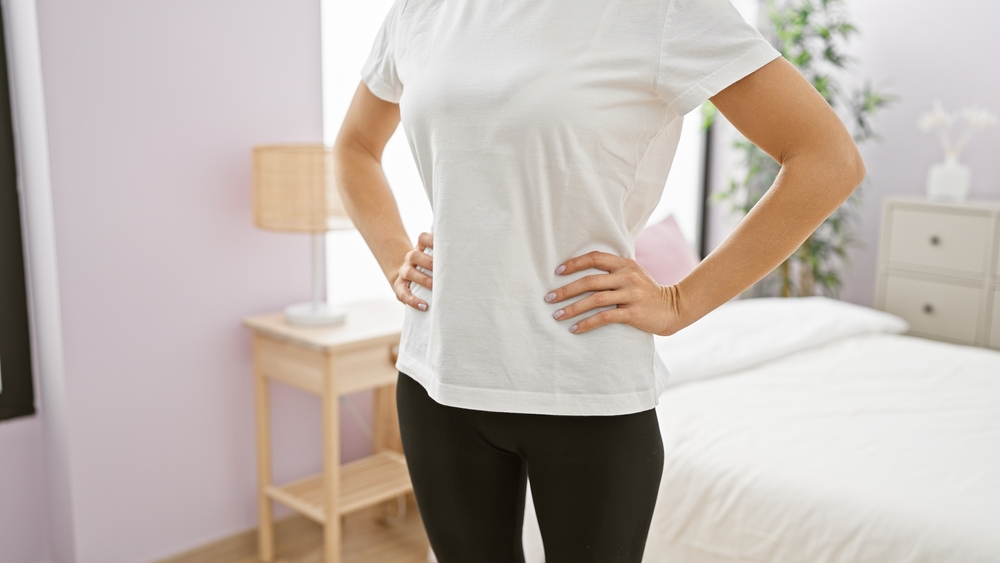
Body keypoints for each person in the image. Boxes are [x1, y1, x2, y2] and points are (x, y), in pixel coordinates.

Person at [332, 0, 865, 560]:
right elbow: (355, 147)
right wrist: (396, 255)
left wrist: (681, 301)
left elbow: (826, 158)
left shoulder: (663, 11)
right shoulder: (421, 11)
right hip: (438, 380)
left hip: (586, 391)